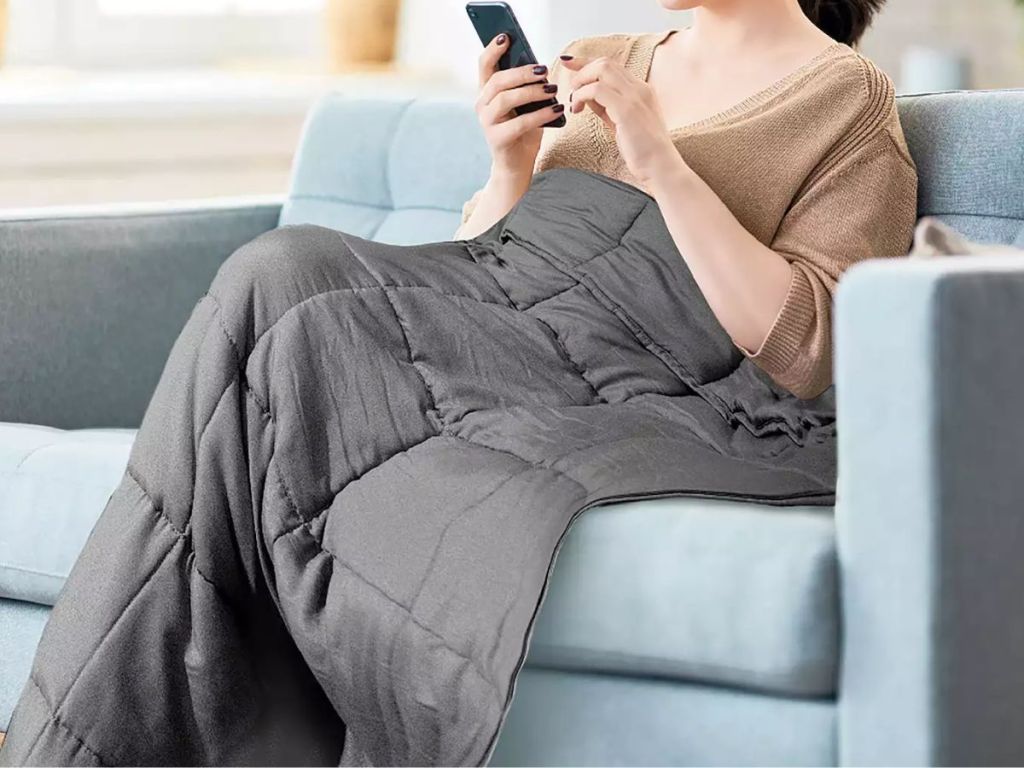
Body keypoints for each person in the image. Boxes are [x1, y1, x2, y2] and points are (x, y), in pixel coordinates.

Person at [456, 0, 916, 400]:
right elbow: (465, 287)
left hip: (637, 408)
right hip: (495, 362)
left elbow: (810, 350)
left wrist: (663, 165)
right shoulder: (589, 61)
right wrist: (511, 168)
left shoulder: (848, 97)